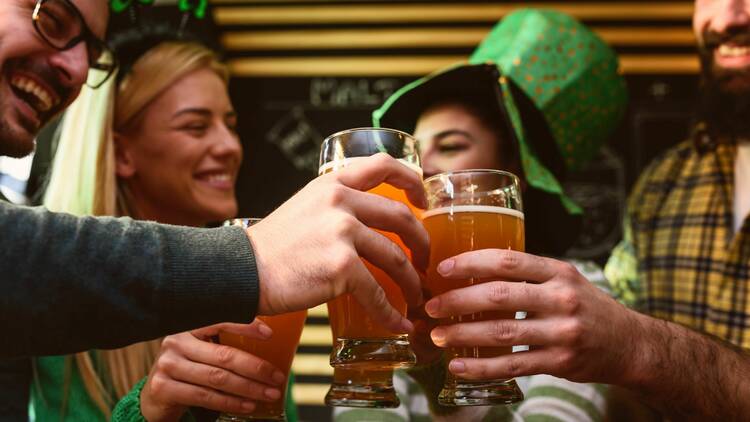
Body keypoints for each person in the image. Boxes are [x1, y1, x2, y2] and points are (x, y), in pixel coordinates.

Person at [0, 0, 428, 358]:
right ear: (122, 151)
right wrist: (252, 259)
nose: (76, 70)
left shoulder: (241, 314)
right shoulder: (44, 319)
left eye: (92, 59)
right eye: (51, 18)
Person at [407, 1, 750, 420]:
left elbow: (616, 347)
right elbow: (614, 373)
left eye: (453, 145)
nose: (731, 15)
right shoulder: (664, 185)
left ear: (516, 174)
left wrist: (637, 346)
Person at [335, 10, 626, 421]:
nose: (424, 167)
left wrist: (439, 372)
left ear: (515, 177)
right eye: (417, 153)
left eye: (451, 146)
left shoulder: (576, 290)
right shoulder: (396, 282)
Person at [0, 31, 300, 421]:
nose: (230, 146)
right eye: (196, 126)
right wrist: (149, 411)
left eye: (230, 124)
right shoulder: (54, 303)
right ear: (123, 153)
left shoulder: (247, 300)